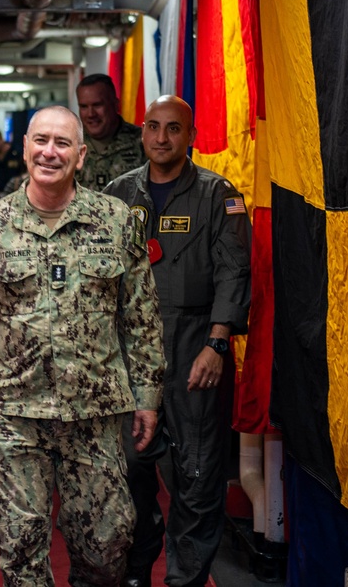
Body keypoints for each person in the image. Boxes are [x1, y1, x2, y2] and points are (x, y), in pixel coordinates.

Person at [0, 106, 167, 586]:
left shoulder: (117, 221)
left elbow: (140, 316)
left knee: (105, 549)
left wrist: (148, 397)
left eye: (62, 143)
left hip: (95, 416)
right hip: (16, 417)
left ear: (80, 156)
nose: (50, 152)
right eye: (41, 140)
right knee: (20, 551)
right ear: (24, 149)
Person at [103, 96, 251, 587]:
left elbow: (235, 271)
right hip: (130, 349)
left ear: (191, 136)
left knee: (198, 473)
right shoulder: (118, 194)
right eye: (152, 127)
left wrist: (217, 343)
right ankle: (137, 564)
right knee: (128, 467)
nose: (161, 138)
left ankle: (184, 579)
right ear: (142, 132)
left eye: (173, 129)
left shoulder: (217, 196)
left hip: (194, 344)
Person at [75, 73, 144, 191]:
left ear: (116, 105)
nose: (91, 114)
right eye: (84, 106)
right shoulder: (71, 144)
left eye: (97, 105)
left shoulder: (143, 142)